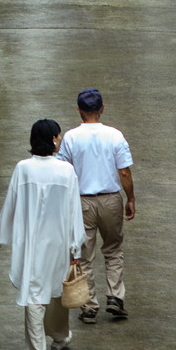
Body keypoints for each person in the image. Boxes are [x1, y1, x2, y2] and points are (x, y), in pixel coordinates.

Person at [0, 118, 86, 350]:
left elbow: (10, 205)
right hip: (59, 242)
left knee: (34, 294)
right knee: (56, 293)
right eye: (59, 136)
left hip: (30, 243)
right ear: (53, 139)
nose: (61, 140)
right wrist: (75, 247)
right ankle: (60, 336)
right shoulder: (66, 171)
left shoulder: (23, 169)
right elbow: (75, 211)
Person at [56, 88, 135, 323]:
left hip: (82, 202)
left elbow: (63, 171)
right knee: (113, 249)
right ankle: (115, 297)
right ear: (102, 109)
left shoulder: (70, 137)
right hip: (111, 198)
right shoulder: (115, 135)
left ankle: (89, 305)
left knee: (85, 255)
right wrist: (130, 198)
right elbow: (124, 172)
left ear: (79, 110)